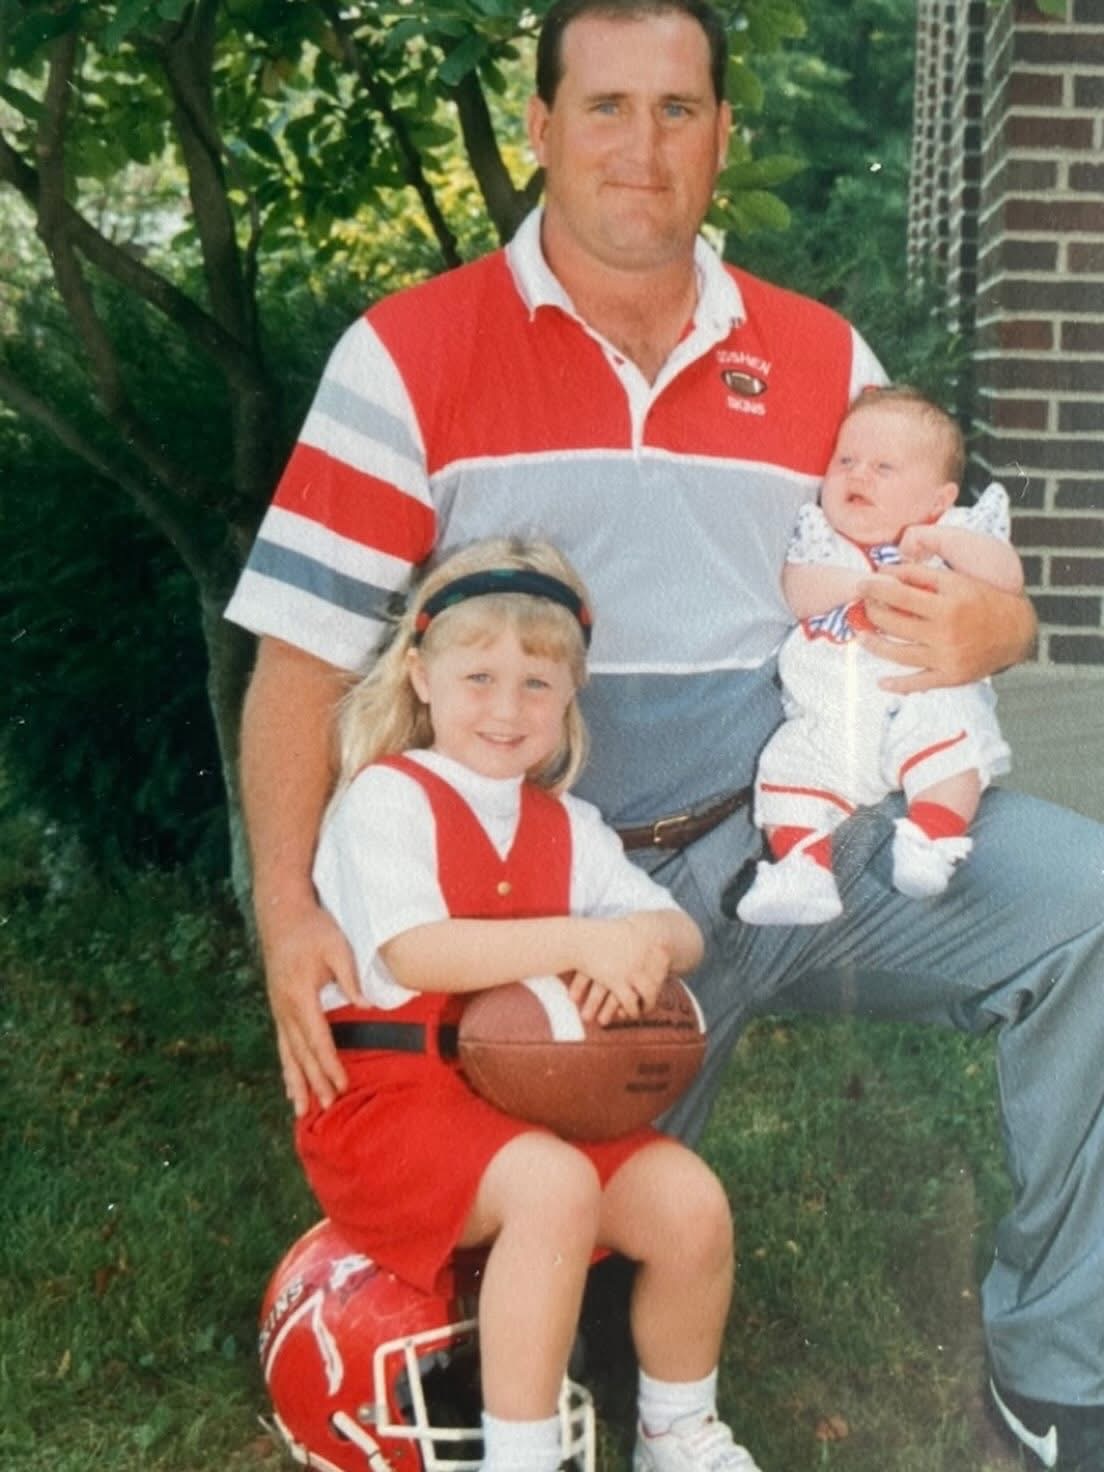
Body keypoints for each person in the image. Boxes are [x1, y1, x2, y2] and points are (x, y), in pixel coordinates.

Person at [226, 1, 1104, 1467]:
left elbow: (956, 577)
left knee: (1090, 908)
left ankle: (1061, 1360)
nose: (643, 148)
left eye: (680, 111)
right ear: (542, 128)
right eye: (608, 107)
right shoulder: (410, 353)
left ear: (720, 136)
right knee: (551, 1339)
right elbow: (300, 661)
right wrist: (285, 907)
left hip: (792, 847)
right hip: (556, 918)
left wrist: (997, 633)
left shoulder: (823, 358)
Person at [295, 533, 761, 1472]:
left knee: (688, 1202)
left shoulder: (569, 825)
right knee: (553, 1186)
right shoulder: (386, 799)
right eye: (479, 677)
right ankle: (523, 1454)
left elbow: (683, 935)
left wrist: (639, 940)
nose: (507, 710)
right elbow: (418, 949)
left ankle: (677, 1433)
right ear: (420, 675)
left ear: (570, 695)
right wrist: (584, 940)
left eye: (537, 685)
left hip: (527, 1103)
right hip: (391, 1105)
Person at [737, 387, 1023, 926]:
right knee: (787, 770)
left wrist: (941, 540)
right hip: (833, 712)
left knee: (953, 741)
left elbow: (1007, 579)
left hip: (923, 692)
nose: (857, 475)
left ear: (939, 499)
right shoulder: (824, 540)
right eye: (845, 461)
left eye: (883, 467)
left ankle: (932, 839)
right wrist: (869, 583)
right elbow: (798, 591)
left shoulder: (954, 534)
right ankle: (803, 868)